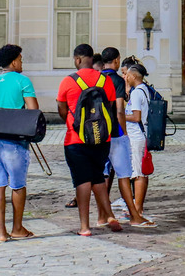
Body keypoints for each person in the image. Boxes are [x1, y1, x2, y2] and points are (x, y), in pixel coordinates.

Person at [56, 43, 118, 236]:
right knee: (98, 176)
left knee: (82, 181)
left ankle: (85, 226)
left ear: (77, 59)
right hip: (101, 138)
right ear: (92, 59)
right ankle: (108, 215)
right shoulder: (105, 80)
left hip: (76, 139)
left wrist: (72, 123)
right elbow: (110, 106)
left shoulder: (68, 81)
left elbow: (61, 109)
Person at [0, 44, 39, 242]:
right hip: (13, 139)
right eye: (21, 59)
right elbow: (33, 110)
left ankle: (1, 232)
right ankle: (17, 228)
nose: (22, 63)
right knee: (17, 185)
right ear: (14, 61)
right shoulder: (23, 80)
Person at [100, 47, 148, 226]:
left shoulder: (97, 78)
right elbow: (120, 110)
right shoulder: (117, 81)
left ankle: (103, 214)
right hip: (116, 132)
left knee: (103, 173)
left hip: (99, 131)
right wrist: (124, 132)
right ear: (116, 60)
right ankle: (135, 214)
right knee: (124, 174)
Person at [123, 63, 156, 226]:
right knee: (141, 171)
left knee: (138, 173)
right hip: (140, 135)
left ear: (134, 76)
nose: (126, 78)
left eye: (128, 75)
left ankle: (137, 209)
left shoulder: (137, 93)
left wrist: (119, 116)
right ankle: (138, 208)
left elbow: (136, 117)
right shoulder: (143, 90)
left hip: (136, 136)